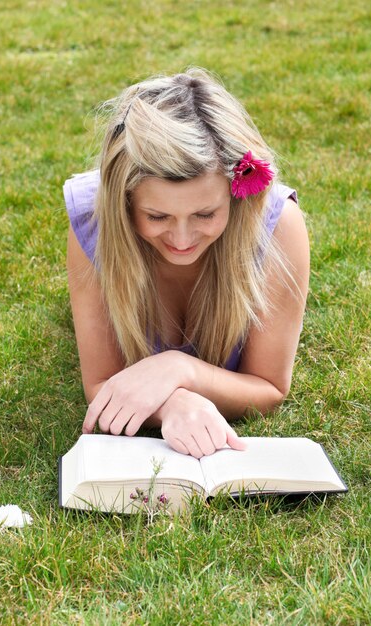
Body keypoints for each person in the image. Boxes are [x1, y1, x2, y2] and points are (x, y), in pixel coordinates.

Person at [64, 68, 309, 459]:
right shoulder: (95, 222)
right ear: (123, 204)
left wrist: (181, 369)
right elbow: (102, 383)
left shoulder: (277, 228)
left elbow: (269, 386)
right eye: (157, 217)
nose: (181, 239)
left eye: (205, 214)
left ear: (236, 196)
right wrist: (173, 404)